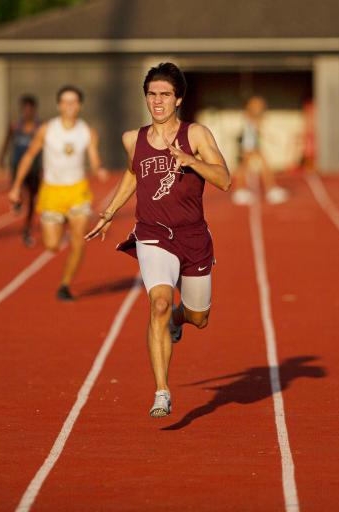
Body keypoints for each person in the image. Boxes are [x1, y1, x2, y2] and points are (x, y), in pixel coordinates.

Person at [84, 62, 231, 418]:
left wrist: (191, 162)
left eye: (165, 94)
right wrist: (108, 212)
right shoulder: (132, 139)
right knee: (159, 304)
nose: (158, 101)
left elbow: (224, 179)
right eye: (152, 94)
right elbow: (133, 174)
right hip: (152, 236)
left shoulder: (195, 135)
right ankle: (162, 391)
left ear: (178, 98)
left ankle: (180, 321)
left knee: (199, 317)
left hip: (193, 236)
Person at [8, 85, 107, 301]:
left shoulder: (87, 132)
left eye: (73, 102)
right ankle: (61, 222)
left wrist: (99, 169)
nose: (69, 106)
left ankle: (65, 284)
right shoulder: (47, 129)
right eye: (65, 101)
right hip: (52, 192)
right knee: (52, 245)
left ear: (79, 105)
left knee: (78, 240)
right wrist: (16, 186)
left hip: (78, 191)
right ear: (58, 105)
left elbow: (94, 158)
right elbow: (28, 156)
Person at [0, 94, 43, 246]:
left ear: (34, 110)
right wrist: (1, 157)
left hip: (35, 168)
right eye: (25, 109)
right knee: (18, 189)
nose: (27, 112)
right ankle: (18, 200)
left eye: (30, 109)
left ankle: (26, 229)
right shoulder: (15, 126)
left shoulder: (40, 128)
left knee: (33, 199)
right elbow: (6, 141)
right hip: (17, 166)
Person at [230, 95, 288, 205]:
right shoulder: (250, 115)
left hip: (251, 141)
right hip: (249, 142)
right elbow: (253, 129)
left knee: (247, 166)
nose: (261, 106)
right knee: (250, 165)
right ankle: (269, 190)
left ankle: (242, 190)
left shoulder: (252, 116)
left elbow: (257, 130)